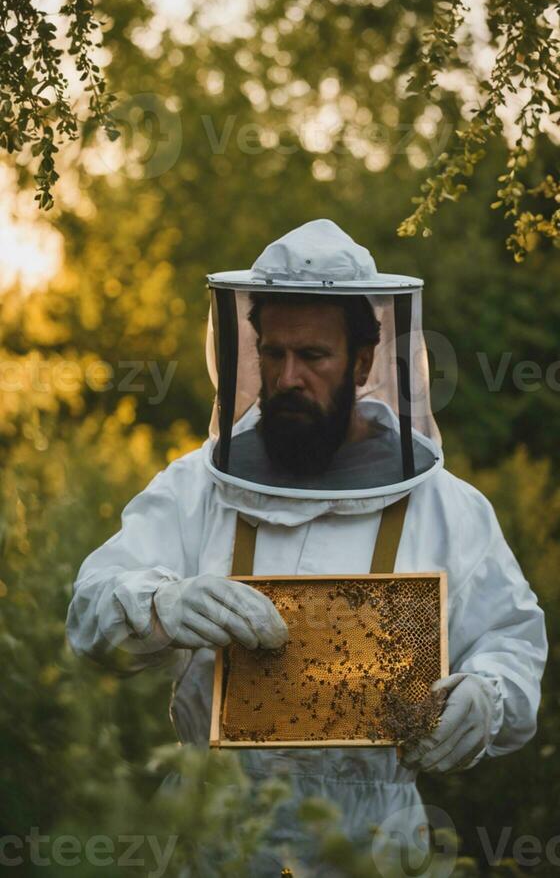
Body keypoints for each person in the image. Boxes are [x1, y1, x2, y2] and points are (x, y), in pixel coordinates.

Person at [66, 219, 547, 875]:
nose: (287, 376)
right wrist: (158, 604)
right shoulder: (193, 489)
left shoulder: (447, 508)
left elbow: (513, 643)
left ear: (362, 360)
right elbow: (90, 609)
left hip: (369, 845)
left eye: (313, 357)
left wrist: (486, 699)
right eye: (272, 352)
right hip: (209, 837)